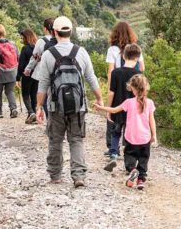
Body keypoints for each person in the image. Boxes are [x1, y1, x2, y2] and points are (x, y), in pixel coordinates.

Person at [36, 16, 103, 188]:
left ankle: (55, 175)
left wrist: (38, 107)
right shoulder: (81, 52)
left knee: (55, 140)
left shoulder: (48, 55)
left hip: (55, 106)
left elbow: (43, 84)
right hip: (78, 105)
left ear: (54, 33)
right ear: (71, 32)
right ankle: (78, 176)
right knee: (76, 140)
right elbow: (91, 78)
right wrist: (99, 98)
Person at [95, 74, 157, 190]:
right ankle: (140, 180)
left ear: (133, 88)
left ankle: (132, 170)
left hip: (131, 138)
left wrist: (101, 108)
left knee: (129, 157)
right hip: (145, 139)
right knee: (143, 160)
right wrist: (154, 135)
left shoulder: (129, 102)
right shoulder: (150, 103)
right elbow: (151, 120)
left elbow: (114, 110)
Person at [104, 22, 144, 155]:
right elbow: (142, 68)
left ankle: (113, 150)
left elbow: (110, 71)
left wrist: (111, 87)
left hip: (117, 87)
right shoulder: (136, 48)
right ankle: (129, 150)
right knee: (130, 122)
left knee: (115, 120)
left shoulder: (112, 50)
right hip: (134, 89)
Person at [0, 24, 19, 118]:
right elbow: (18, 57)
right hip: (12, 72)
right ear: (4, 32)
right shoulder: (13, 45)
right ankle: (13, 109)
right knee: (10, 91)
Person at [17, 29, 39, 124]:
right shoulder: (38, 47)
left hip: (27, 75)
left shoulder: (25, 48)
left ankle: (31, 112)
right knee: (34, 95)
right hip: (37, 74)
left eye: (22, 38)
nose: (22, 40)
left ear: (27, 37)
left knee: (25, 95)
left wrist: (18, 78)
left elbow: (21, 65)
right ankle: (33, 114)